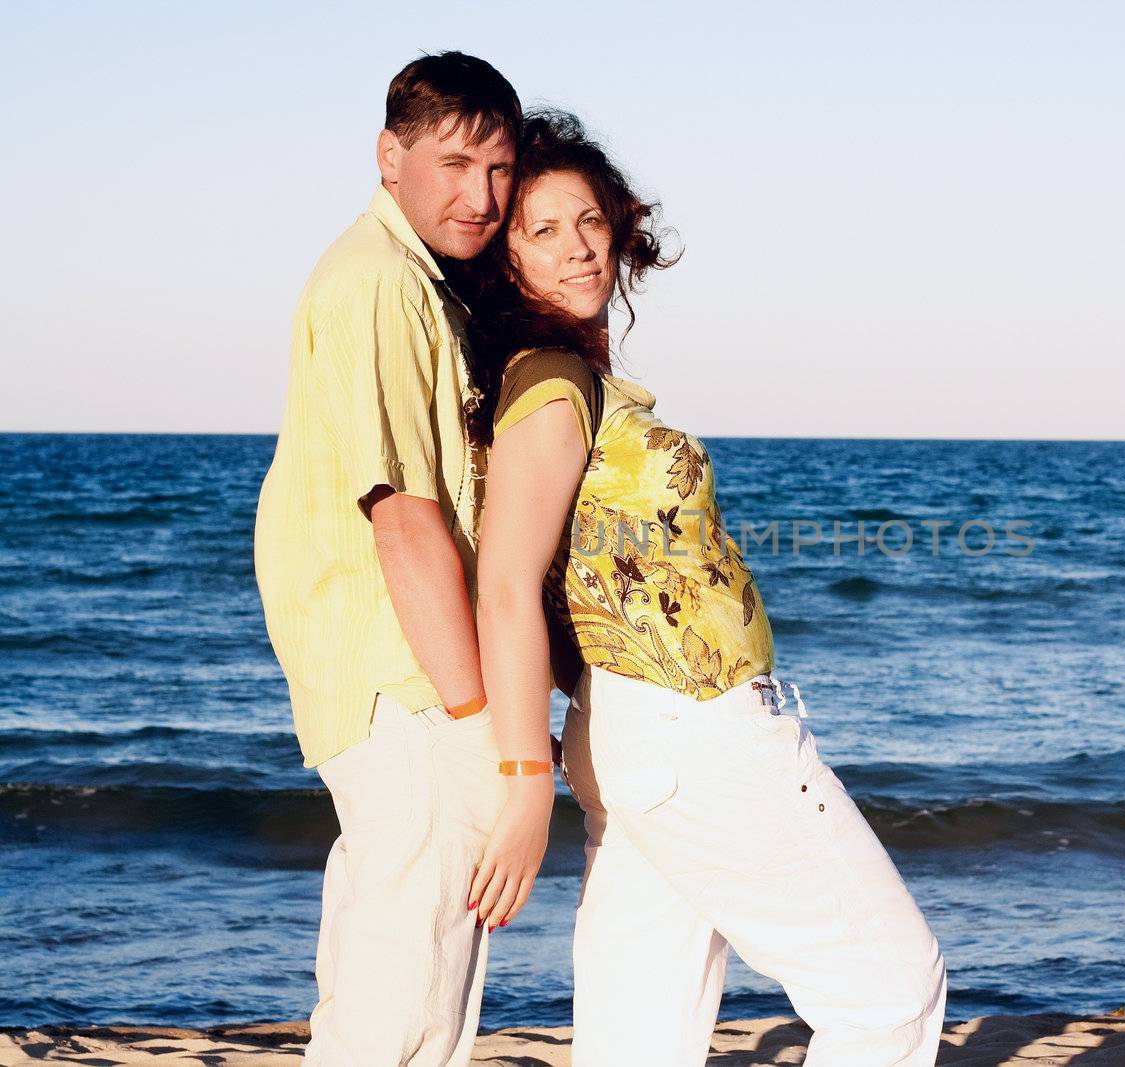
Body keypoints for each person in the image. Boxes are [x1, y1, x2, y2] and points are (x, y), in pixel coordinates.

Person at [462, 109, 948, 1066]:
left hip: (638, 730)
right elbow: (506, 583)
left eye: (591, 222)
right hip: (693, 726)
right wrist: (523, 775)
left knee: (638, 1037)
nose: (577, 250)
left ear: (622, 230)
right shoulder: (554, 383)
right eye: (543, 230)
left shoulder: (555, 380)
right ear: (507, 258)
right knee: (891, 992)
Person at [253, 52, 530, 1066]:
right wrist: (478, 722)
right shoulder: (376, 281)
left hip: (401, 675)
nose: (482, 195)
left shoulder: (412, 277)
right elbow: (404, 517)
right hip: (408, 682)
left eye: (499, 170)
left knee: (393, 970)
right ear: (390, 154)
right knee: (404, 1000)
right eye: (455, 163)